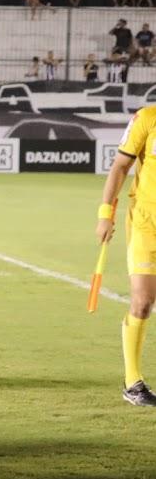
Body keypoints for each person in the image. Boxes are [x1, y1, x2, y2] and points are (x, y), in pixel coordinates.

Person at [96, 106, 156, 406]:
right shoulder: (147, 118)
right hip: (148, 224)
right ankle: (133, 383)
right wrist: (106, 213)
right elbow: (120, 167)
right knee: (143, 301)